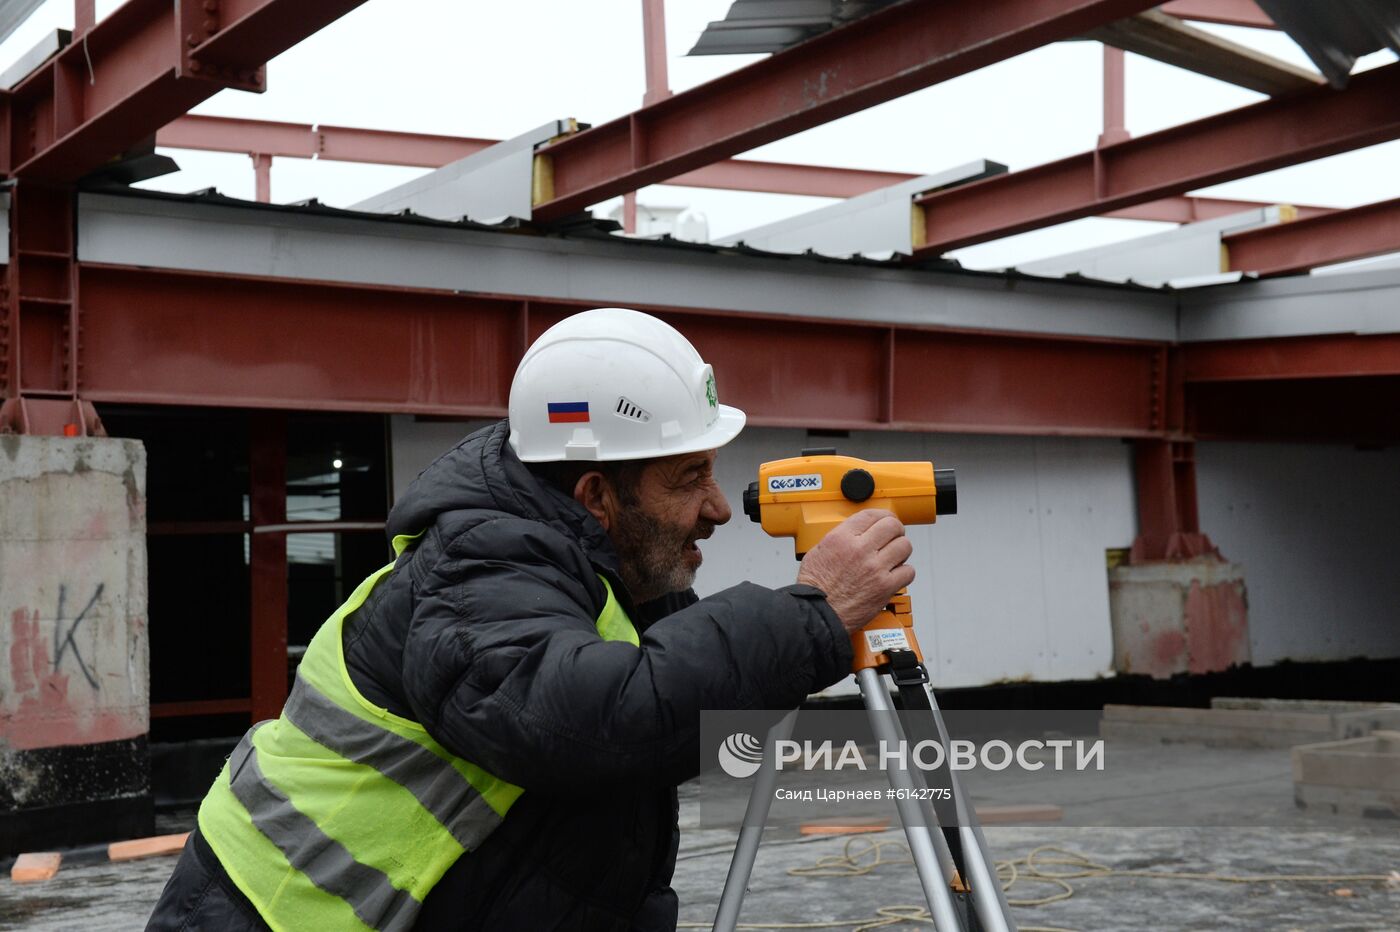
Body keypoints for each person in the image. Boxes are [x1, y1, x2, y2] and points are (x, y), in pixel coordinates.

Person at [147, 307, 915, 931]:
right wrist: (811, 617)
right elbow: (597, 719)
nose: (718, 509)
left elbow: (669, 717)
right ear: (594, 496)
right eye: (690, 479)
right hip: (268, 917)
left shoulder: (595, 572)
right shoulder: (478, 575)